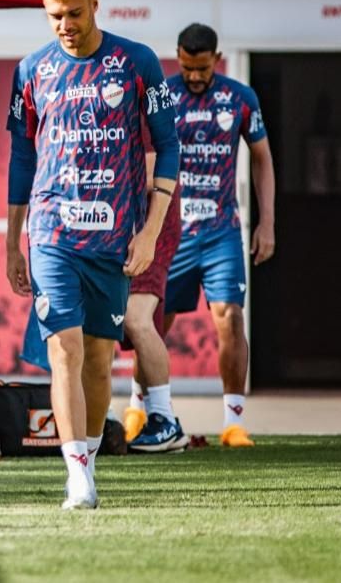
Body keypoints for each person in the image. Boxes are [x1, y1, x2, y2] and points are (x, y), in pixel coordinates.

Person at [6, 0, 178, 510]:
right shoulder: (31, 69)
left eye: (74, 13)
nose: (65, 24)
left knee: (100, 362)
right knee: (66, 352)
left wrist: (149, 231)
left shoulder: (138, 62)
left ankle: (89, 459)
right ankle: (76, 474)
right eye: (54, 15)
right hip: (52, 232)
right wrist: (15, 240)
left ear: (95, 4)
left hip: (113, 236)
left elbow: (168, 146)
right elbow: (20, 155)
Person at [164, 23, 275, 447]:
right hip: (171, 232)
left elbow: (262, 159)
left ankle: (233, 422)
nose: (195, 76)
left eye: (203, 68)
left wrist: (267, 223)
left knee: (229, 317)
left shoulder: (240, 98)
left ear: (217, 58)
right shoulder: (162, 97)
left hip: (221, 230)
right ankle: (143, 409)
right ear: (178, 56)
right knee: (151, 323)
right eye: (188, 67)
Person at [120, 138, 188, 452]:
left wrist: (95, 179)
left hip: (151, 227)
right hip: (116, 226)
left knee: (136, 319)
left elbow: (151, 173)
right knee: (99, 324)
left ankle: (165, 421)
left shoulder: (142, 101)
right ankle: (99, 420)